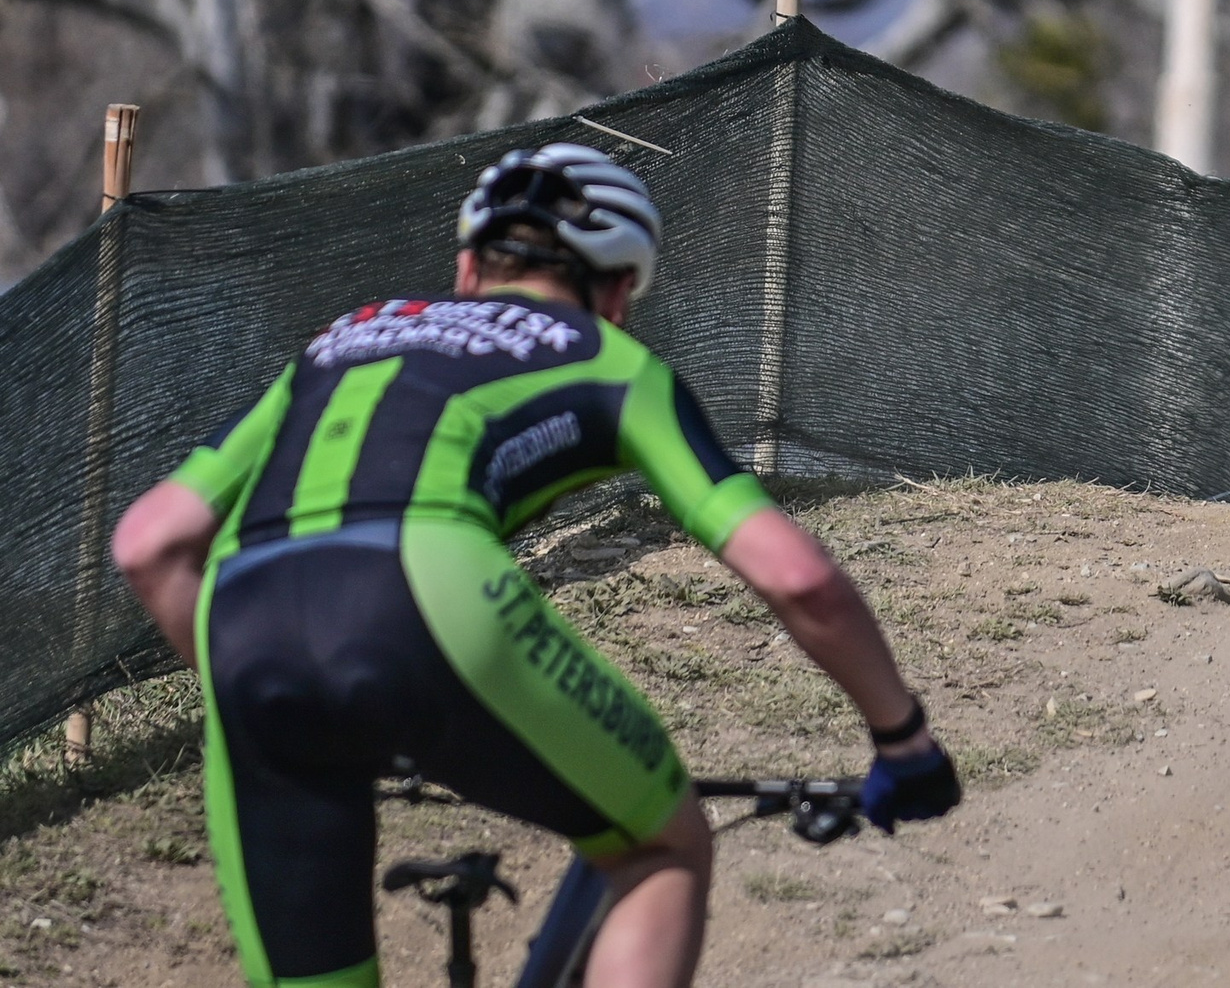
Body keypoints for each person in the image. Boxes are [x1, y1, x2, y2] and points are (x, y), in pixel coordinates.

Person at [111, 145, 960, 988]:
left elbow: (148, 543)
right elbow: (796, 574)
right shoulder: (612, 359)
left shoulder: (341, 338)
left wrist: (289, 689)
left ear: (468, 263)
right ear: (621, 290)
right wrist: (901, 737)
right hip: (420, 589)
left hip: (247, 618)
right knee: (659, 845)